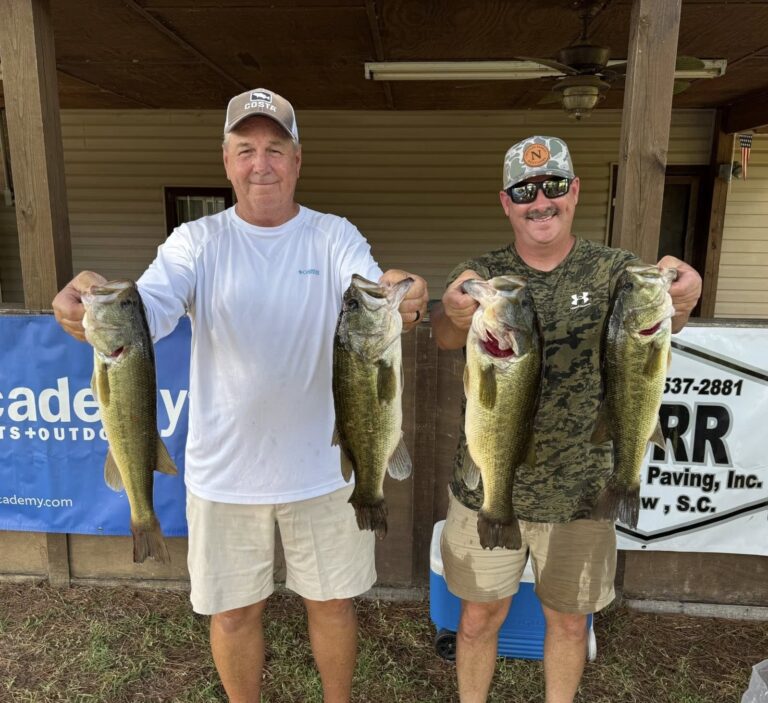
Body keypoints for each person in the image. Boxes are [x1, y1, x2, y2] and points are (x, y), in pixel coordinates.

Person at [52, 87, 428, 703]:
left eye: (275, 148)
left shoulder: (332, 235)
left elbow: (373, 284)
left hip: (323, 471)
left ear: (297, 160)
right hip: (224, 473)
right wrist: (92, 298)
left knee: (333, 606)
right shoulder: (195, 242)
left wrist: (402, 289)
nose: (262, 164)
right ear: (226, 161)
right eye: (246, 148)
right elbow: (150, 308)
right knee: (231, 615)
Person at [431, 135, 701, 703]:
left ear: (574, 191)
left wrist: (683, 285)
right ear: (506, 203)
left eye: (553, 186)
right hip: (488, 485)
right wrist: (454, 312)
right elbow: (447, 333)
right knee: (477, 620)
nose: (540, 201)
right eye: (524, 191)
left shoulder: (617, 271)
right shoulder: (485, 274)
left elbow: (664, 300)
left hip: (584, 490)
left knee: (571, 623)